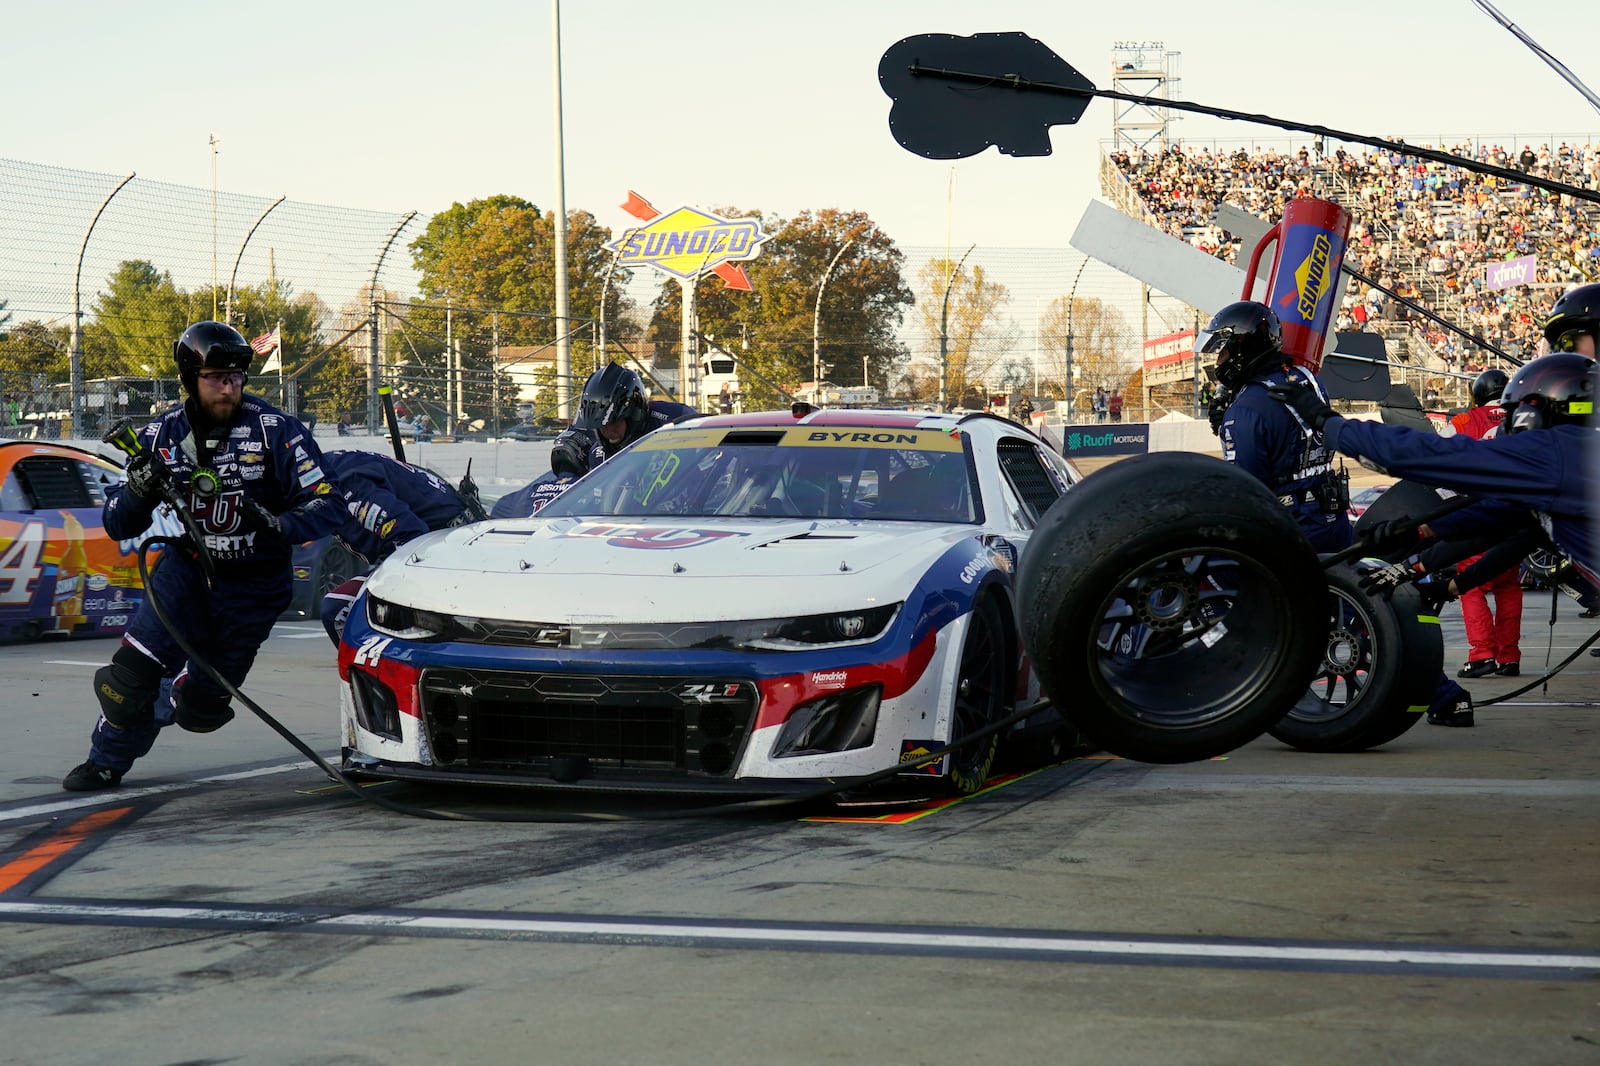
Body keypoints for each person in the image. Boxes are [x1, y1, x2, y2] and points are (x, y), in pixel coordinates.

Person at [62, 321, 345, 791]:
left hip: (255, 588)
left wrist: (280, 524)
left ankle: (179, 693)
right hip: (186, 572)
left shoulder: (278, 431)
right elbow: (116, 522)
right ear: (191, 378)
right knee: (127, 683)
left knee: (202, 712)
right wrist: (137, 491)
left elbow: (330, 501)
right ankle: (106, 761)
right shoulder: (161, 435)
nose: (228, 386)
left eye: (236, 376)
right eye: (216, 376)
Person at [1271, 285, 1597, 679]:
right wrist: (1423, 541)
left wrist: (1330, 424)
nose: (1562, 352)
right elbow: (1506, 524)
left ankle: (1483, 654)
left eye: (1567, 341)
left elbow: (1437, 457)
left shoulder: (1565, 451)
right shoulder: (1574, 463)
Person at [1202, 300, 1353, 553]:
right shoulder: (1309, 379)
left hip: (1291, 531)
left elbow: (1246, 492)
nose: (1218, 362)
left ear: (1241, 349)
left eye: (1222, 352)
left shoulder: (1243, 412)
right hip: (1335, 522)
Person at [317, 450, 487, 644]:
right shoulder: (331, 466)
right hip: (451, 547)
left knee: (336, 609)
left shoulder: (345, 485)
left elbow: (412, 536)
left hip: (446, 557)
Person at [1447, 368, 1523, 678]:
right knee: (1508, 587)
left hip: (1479, 517)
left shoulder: (1464, 422)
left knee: (1471, 585)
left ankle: (1482, 654)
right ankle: (1509, 658)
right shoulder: (1523, 419)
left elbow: (1440, 467)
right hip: (1516, 517)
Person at [547, 362, 697, 479]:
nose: (608, 431)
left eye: (614, 423)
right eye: (601, 426)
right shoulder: (598, 456)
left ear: (633, 415)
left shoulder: (677, 419)